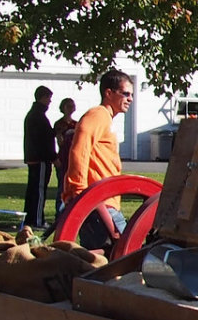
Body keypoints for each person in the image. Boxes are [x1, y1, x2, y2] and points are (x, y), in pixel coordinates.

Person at [60, 71, 133, 249]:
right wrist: (78, 189)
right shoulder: (98, 115)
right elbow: (80, 149)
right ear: (108, 93)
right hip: (100, 205)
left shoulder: (105, 118)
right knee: (129, 255)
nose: (130, 99)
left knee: (100, 260)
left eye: (131, 95)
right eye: (125, 94)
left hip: (101, 202)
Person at [22, 86, 56, 230]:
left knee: (33, 189)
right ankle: (37, 220)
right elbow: (44, 140)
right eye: (48, 98)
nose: (50, 101)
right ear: (42, 98)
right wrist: (53, 157)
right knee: (39, 190)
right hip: (40, 159)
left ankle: (29, 218)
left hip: (33, 157)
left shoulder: (33, 115)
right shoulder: (39, 117)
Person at [52, 97, 79, 199]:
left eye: (73, 106)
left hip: (73, 157)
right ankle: (60, 211)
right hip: (63, 157)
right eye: (69, 106)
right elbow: (60, 142)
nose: (71, 108)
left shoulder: (76, 124)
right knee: (62, 186)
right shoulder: (59, 124)